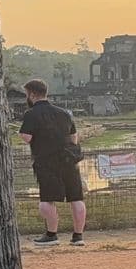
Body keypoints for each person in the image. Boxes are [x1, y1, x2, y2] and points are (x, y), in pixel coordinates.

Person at [19, 78, 87, 246]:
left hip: (46, 162)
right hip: (69, 160)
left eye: (27, 94)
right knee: (76, 198)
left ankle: (51, 235)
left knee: (47, 200)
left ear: (32, 94)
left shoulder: (31, 114)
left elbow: (27, 137)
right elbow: (74, 138)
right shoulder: (64, 113)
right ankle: (78, 237)